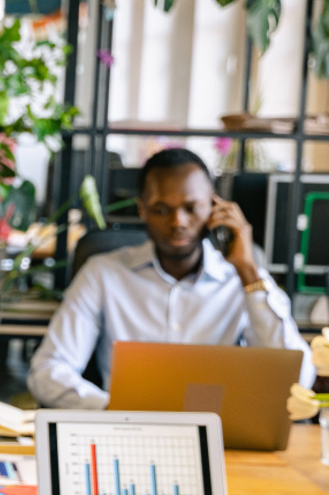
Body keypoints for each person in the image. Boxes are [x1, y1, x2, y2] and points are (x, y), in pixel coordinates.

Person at [28, 147, 316, 408]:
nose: (178, 222)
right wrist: (114, 409)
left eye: (191, 208)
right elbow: (48, 372)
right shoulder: (103, 274)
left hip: (221, 438)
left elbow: (299, 382)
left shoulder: (242, 280)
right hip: (126, 433)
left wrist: (249, 272)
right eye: (162, 209)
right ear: (142, 209)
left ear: (213, 207)